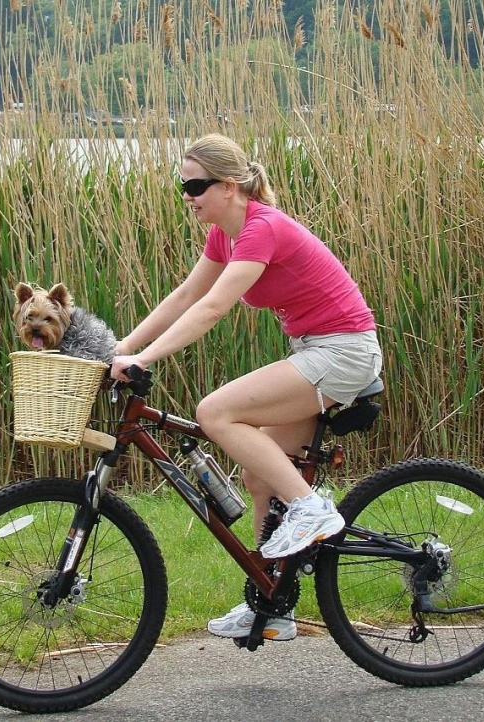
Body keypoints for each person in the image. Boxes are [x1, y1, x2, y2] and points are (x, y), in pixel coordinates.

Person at [110, 133, 383, 641]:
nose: (187, 195)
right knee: (260, 474)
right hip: (315, 351)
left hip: (343, 351)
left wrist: (145, 359)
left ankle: (312, 509)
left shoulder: (262, 228)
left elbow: (212, 309)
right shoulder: (225, 234)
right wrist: (123, 346)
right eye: (182, 185)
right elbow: (189, 293)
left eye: (195, 185)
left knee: (215, 413)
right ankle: (271, 604)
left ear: (230, 186)